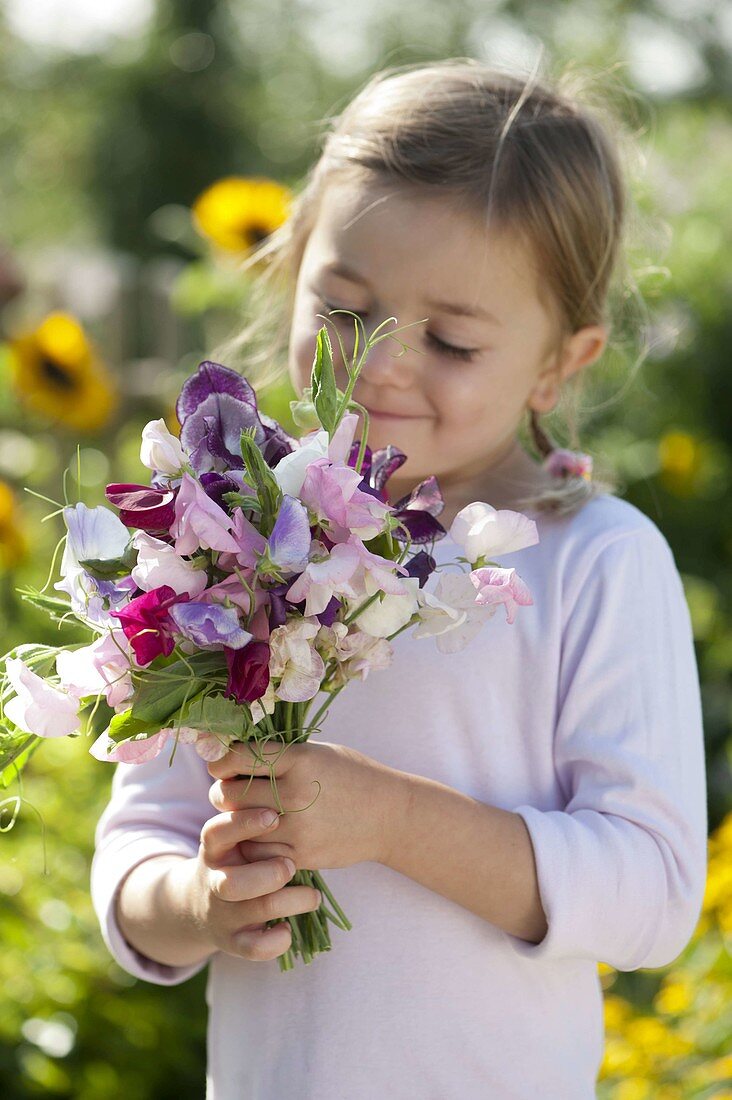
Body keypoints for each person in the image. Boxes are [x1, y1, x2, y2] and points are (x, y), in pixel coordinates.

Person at [91, 58, 708, 1099]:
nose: (379, 362)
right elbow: (138, 841)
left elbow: (650, 890)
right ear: (290, 272)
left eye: (452, 339)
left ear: (562, 361)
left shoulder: (596, 558)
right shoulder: (227, 541)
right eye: (342, 306)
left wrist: (393, 822)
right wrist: (194, 897)